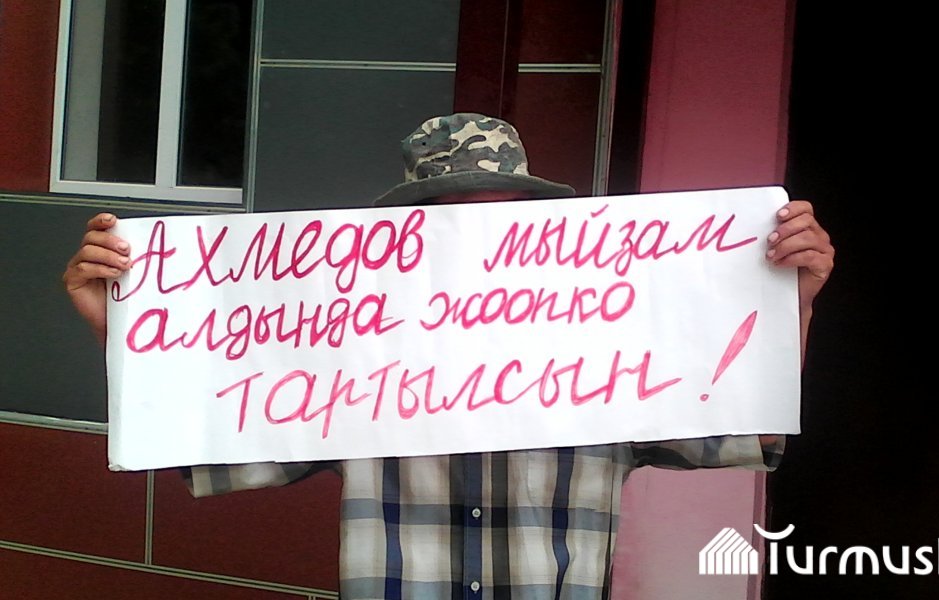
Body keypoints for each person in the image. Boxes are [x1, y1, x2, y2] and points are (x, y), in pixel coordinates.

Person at [64, 113, 834, 599]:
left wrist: (789, 305)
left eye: (502, 220)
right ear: (407, 237)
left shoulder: (613, 358)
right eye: (451, 222)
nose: (479, 244)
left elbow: (749, 428)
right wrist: (117, 326)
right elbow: (204, 444)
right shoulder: (349, 364)